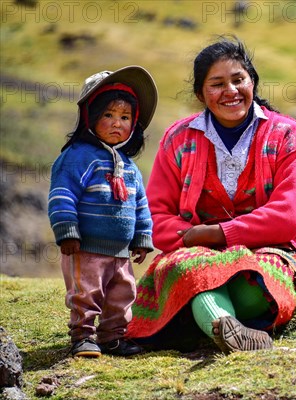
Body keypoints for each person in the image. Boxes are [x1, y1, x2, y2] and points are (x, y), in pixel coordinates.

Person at [126, 36, 296, 354]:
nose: (230, 91)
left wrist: (214, 233)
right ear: (201, 94)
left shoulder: (287, 134)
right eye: (217, 84)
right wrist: (195, 243)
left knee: (250, 282)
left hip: (274, 251)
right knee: (188, 270)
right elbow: (155, 219)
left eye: (238, 79)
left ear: (252, 82)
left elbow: (289, 216)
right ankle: (233, 330)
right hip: (196, 254)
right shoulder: (178, 139)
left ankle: (210, 318)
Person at [48, 66, 158, 357]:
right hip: (85, 249)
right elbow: (62, 195)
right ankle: (83, 336)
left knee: (122, 294)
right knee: (86, 293)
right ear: (90, 117)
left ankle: (112, 337)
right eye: (108, 115)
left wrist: (142, 237)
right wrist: (67, 231)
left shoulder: (129, 166)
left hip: (120, 252)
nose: (116, 123)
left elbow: (140, 204)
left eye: (125, 117)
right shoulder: (76, 157)